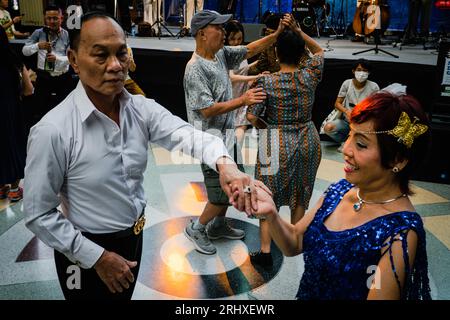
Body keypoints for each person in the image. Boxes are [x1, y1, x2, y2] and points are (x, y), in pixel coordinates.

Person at [24, 11, 257, 300]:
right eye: (100, 55)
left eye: (121, 54)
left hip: (134, 238)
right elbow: (38, 214)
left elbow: (188, 135)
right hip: (83, 250)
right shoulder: (53, 130)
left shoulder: (140, 109)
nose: (114, 66)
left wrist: (226, 165)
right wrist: (97, 257)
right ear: (73, 59)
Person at [244, 91, 432, 300]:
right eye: (348, 135)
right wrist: (272, 213)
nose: (346, 149)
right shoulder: (340, 191)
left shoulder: (400, 232)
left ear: (398, 160)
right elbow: (295, 242)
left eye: (361, 144)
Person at [183, 10, 289, 255]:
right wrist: (244, 100)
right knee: (220, 194)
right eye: (218, 28)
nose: (223, 32)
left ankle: (218, 225)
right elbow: (207, 110)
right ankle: (197, 228)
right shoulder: (195, 69)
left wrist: (278, 34)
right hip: (208, 140)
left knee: (233, 185)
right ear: (201, 34)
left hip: (226, 136)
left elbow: (249, 50)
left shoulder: (219, 54)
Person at [246, 20, 324, 267]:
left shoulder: (266, 82)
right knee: (301, 192)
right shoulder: (310, 74)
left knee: (266, 194)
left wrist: (265, 128)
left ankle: (266, 251)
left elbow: (251, 116)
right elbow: (319, 52)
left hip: (275, 140)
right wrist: (302, 32)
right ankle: (295, 240)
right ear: (302, 53)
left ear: (277, 53)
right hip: (307, 139)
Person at [22, 5, 75, 124]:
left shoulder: (67, 34)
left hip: (63, 76)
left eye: (55, 18)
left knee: (66, 109)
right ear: (45, 19)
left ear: (61, 18)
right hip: (43, 76)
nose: (52, 21)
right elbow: (24, 51)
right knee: (40, 110)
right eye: (49, 18)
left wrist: (58, 59)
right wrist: (37, 46)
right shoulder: (38, 33)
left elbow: (72, 58)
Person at [0, 27, 33, 202]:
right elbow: (28, 90)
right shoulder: (14, 62)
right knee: (15, 146)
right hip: (12, 112)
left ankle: (1, 187)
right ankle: (14, 190)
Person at [321, 59, 379, 152]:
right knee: (328, 128)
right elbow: (337, 103)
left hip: (362, 123)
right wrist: (346, 112)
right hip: (347, 121)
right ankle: (345, 141)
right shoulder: (347, 83)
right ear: (353, 71)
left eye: (365, 70)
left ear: (369, 72)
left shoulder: (374, 87)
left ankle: (351, 143)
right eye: (359, 70)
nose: (361, 73)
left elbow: (376, 108)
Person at [224, 20, 261, 150]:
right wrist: (255, 77)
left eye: (239, 38)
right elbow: (232, 77)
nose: (236, 42)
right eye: (232, 39)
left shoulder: (241, 51)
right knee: (230, 129)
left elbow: (242, 70)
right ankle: (229, 155)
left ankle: (233, 154)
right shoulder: (225, 53)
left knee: (241, 126)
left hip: (241, 94)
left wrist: (257, 63)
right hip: (230, 96)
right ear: (226, 37)